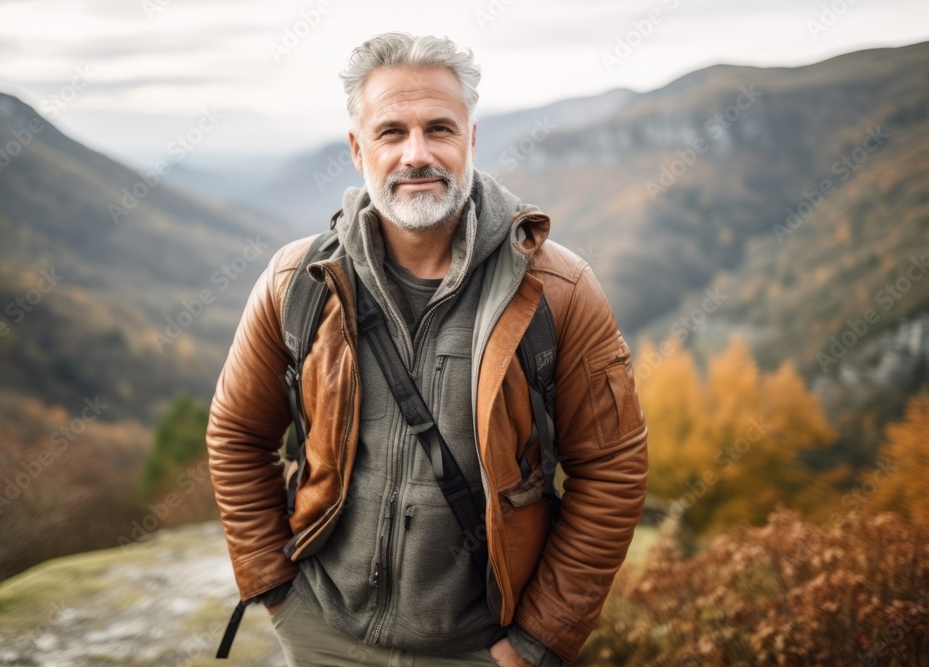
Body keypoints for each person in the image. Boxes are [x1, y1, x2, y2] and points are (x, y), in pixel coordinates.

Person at [206, 32, 649, 666]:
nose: (417, 153)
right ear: (358, 149)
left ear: (472, 140)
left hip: (481, 648)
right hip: (323, 634)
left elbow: (612, 469)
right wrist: (275, 586)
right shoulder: (296, 282)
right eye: (391, 132)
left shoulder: (558, 290)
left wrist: (537, 641)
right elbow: (236, 434)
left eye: (439, 128)